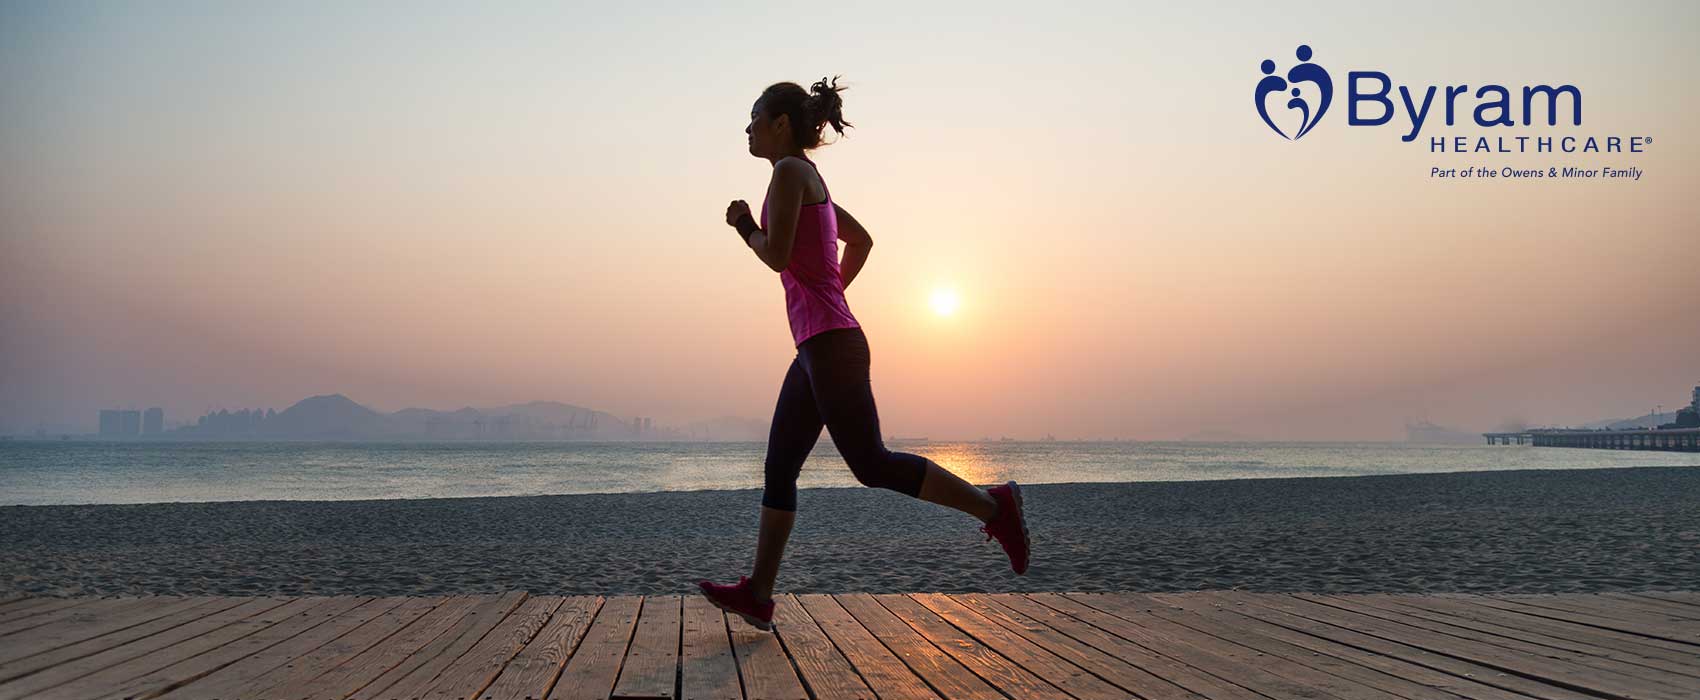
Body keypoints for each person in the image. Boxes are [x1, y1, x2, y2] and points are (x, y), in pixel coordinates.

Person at [696, 76, 1031, 632]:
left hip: (830, 346)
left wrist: (743, 228)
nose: (747, 128)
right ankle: (758, 593)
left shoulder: (786, 172)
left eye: (754, 117)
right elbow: (862, 241)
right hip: (817, 345)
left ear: (781, 124)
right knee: (780, 467)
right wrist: (830, 295)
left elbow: (777, 257)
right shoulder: (813, 180)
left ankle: (996, 508)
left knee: (870, 463)